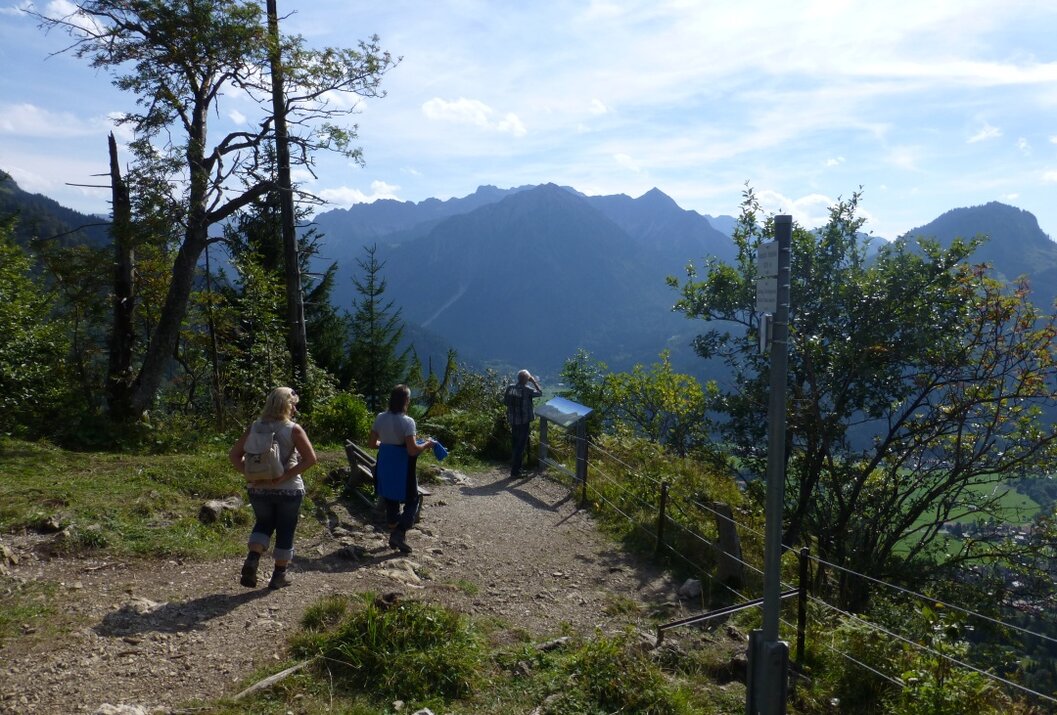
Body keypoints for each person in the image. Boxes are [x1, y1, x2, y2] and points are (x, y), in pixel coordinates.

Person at [229, 386, 317, 590]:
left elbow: (234, 455)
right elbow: (311, 459)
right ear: (286, 405)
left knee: (263, 523)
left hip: (258, 489)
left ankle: (253, 558)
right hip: (289, 490)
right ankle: (279, 576)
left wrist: (250, 475)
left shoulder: (254, 427)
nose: (295, 410)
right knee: (286, 528)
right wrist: (285, 476)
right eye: (293, 405)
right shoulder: (293, 429)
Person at [368, 384, 435, 554]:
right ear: (406, 401)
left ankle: (394, 534)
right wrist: (426, 445)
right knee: (412, 499)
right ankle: (399, 532)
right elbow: (412, 450)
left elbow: (372, 443)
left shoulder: (380, 417)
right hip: (402, 466)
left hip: (385, 463)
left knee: (390, 497)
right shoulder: (408, 421)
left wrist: (386, 445)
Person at [504, 369, 542, 477]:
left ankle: (517, 469)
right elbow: (540, 393)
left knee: (515, 445)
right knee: (520, 446)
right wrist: (533, 381)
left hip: (513, 420)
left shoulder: (510, 388)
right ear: (526, 379)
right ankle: (515, 472)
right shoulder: (527, 389)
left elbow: (505, 402)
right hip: (523, 422)